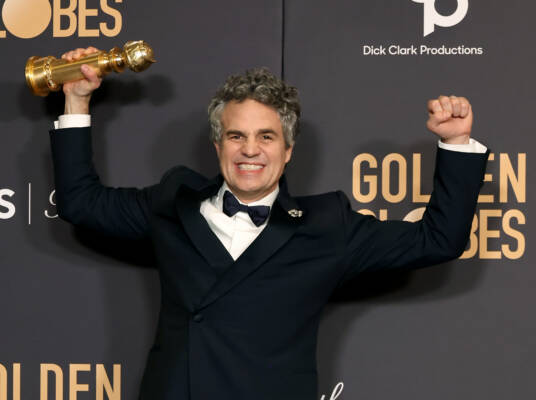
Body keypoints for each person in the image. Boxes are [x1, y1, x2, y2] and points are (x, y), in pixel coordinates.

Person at [49, 47, 489, 400]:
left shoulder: (327, 226)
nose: (250, 151)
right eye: (236, 136)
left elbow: (439, 239)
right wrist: (76, 98)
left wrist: (455, 143)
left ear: (289, 149)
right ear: (218, 144)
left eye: (266, 137)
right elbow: (81, 203)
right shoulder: (172, 201)